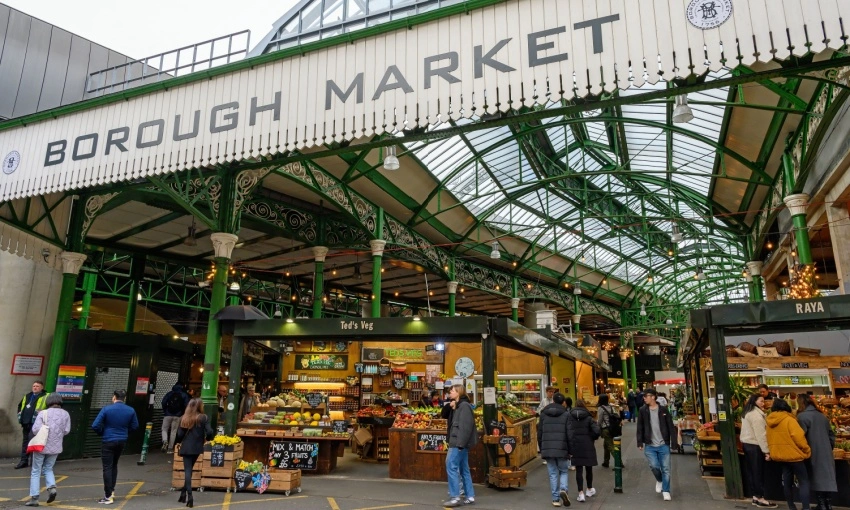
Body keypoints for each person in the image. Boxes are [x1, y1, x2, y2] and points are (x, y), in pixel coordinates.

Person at [91, 389, 139, 505]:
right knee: (114, 465)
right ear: (124, 398)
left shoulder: (106, 409)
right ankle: (111, 491)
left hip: (108, 440)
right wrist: (125, 433)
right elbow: (135, 426)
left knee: (107, 467)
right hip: (121, 440)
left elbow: (95, 425)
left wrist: (103, 433)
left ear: (114, 397)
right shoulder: (130, 410)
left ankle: (108, 496)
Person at [24, 393, 71, 507]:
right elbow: (66, 430)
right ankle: (52, 488)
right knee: (48, 468)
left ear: (48, 401)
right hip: (56, 447)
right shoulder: (66, 414)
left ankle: (34, 498)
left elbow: (35, 430)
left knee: (36, 470)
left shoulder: (43, 413)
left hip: (41, 445)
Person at [766, 398, 811, 510]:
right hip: (795, 456)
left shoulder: (769, 421)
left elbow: (768, 438)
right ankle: (806, 508)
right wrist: (806, 450)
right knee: (803, 482)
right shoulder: (790, 420)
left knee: (787, 482)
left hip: (781, 456)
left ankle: (791, 506)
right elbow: (799, 437)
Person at [796, 394, 836, 510]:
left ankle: (822, 505)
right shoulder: (822, 416)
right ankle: (828, 504)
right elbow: (831, 435)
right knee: (826, 477)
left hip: (812, 451)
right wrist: (829, 447)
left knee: (816, 477)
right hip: (826, 451)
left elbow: (800, 437)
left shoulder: (802, 417)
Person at [636, 388, 676, 501]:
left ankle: (666, 491)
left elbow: (670, 427)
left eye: (646, 396)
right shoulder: (643, 410)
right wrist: (639, 442)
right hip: (650, 445)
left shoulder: (663, 410)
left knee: (666, 469)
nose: (644, 398)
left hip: (664, 444)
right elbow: (640, 427)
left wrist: (674, 442)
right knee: (654, 466)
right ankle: (659, 480)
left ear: (653, 397)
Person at [442, 384, 476, 508]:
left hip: (457, 443)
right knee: (463, 469)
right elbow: (444, 414)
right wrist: (450, 406)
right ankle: (469, 495)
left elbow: (466, 427)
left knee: (451, 465)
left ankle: (455, 497)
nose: (450, 392)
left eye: (452, 391)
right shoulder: (458, 406)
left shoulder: (464, 407)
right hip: (460, 443)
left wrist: (460, 444)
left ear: (458, 392)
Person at [175, 398, 213, 508]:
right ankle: (185, 494)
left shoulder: (184, 418)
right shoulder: (203, 417)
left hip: (186, 447)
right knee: (189, 469)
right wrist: (208, 438)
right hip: (197, 447)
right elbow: (209, 431)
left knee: (188, 470)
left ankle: (188, 496)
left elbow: (180, 435)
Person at [740, 394, 776, 508]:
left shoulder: (748, 412)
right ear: (754, 401)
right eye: (761, 401)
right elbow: (761, 434)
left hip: (747, 444)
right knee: (758, 472)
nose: (763, 403)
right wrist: (766, 451)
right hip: (755, 446)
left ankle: (755, 496)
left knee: (752, 471)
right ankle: (760, 498)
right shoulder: (756, 415)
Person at [538, 392, 571, 507]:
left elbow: (540, 432)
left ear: (553, 401)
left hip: (547, 447)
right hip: (562, 447)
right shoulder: (566, 415)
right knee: (563, 470)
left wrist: (541, 447)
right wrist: (570, 449)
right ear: (563, 402)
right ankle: (563, 489)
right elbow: (569, 433)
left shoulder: (543, 414)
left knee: (552, 473)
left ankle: (555, 499)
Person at [567, 399, 598, 502]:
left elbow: (568, 431)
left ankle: (580, 493)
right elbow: (597, 431)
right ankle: (589, 489)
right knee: (589, 468)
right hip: (587, 445)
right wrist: (592, 437)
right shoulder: (589, 418)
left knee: (578, 469)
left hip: (575, 445)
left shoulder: (569, 417)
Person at [16, 381, 49, 469]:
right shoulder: (27, 396)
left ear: (42, 387)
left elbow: (50, 409)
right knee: (26, 442)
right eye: (34, 386)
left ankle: (36, 462)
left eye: (37, 386)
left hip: (38, 424)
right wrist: (20, 415)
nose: (35, 387)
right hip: (26, 422)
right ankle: (24, 461)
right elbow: (20, 406)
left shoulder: (46, 396)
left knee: (37, 442)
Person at [161, 383, 189, 454]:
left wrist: (165, 410)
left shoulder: (169, 394)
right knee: (173, 431)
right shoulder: (184, 395)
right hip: (178, 415)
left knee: (164, 429)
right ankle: (170, 448)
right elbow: (187, 405)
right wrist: (183, 413)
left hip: (167, 414)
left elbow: (163, 402)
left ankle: (165, 441)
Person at [597, 394, 621, 469]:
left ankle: (619, 462)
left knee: (610, 446)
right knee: (606, 446)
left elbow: (600, 420)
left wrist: (597, 427)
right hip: (612, 428)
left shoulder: (601, 408)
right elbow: (616, 415)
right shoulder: (611, 406)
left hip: (605, 429)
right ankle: (606, 462)